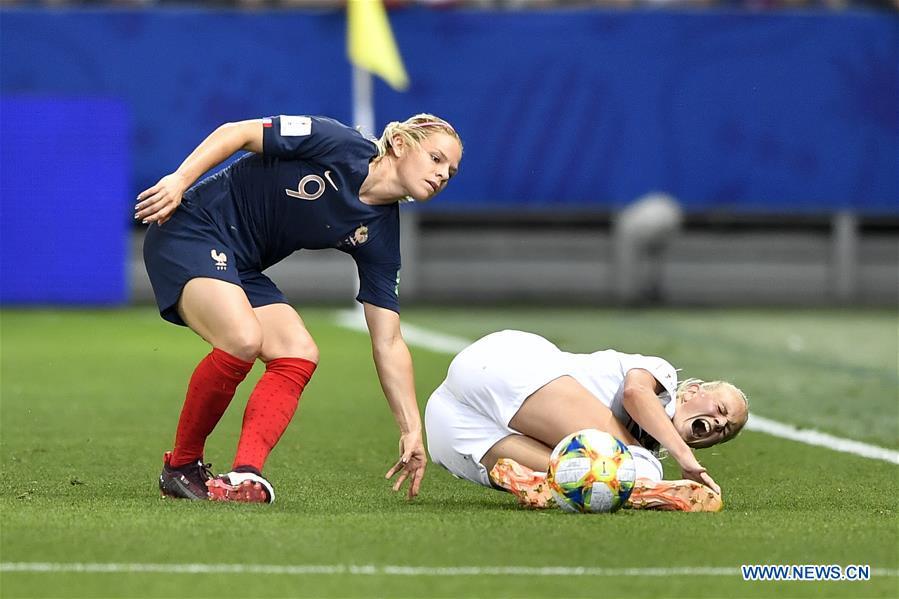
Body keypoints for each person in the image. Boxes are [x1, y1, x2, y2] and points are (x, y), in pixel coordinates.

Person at [136, 113, 462, 503]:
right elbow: (236, 133)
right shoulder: (335, 142)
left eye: (451, 171)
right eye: (436, 158)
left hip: (239, 265)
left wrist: (411, 429)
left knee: (299, 353)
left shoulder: (381, 237)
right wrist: (179, 181)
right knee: (242, 338)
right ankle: (181, 466)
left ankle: (244, 474)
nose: (443, 174)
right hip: (189, 227)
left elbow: (389, 341)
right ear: (400, 145)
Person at [424, 330, 749, 511]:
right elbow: (635, 396)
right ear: (691, 391)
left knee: (582, 474)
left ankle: (547, 483)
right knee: (638, 468)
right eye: (721, 410)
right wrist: (683, 456)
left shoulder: (638, 449)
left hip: (448, 423)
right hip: (506, 363)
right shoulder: (660, 378)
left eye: (727, 431)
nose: (720, 426)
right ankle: (636, 488)